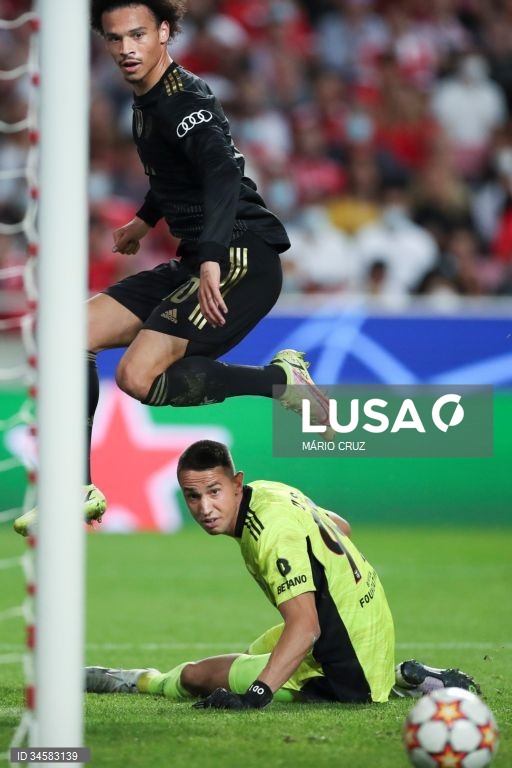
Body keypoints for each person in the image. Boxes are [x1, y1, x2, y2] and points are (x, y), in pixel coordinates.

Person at [13, 1, 331, 536]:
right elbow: (173, 174)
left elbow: (222, 176)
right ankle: (77, 490)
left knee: (136, 377)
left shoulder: (186, 104)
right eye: (115, 39)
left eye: (137, 35)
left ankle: (280, 383)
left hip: (238, 256)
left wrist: (209, 255)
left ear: (164, 32)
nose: (126, 49)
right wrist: (145, 220)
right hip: (200, 256)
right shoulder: (147, 100)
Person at [86, 440, 479, 709]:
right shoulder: (269, 490)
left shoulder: (270, 534)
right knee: (254, 654)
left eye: (214, 491)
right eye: (192, 495)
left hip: (343, 663)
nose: (204, 507)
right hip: (367, 623)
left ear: (236, 484)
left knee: (198, 677)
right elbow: (341, 527)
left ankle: (134, 679)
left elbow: (305, 627)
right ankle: (404, 678)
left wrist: (255, 696)